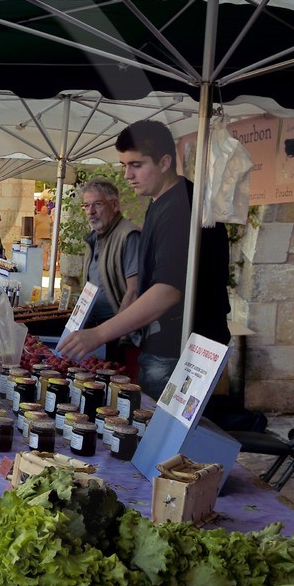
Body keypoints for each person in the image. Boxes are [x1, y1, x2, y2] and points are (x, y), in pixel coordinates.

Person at [59, 120, 230, 399]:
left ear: (164, 162)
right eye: (124, 165)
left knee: (161, 437)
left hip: (182, 348)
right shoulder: (162, 203)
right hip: (172, 344)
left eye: (136, 165)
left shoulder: (179, 209)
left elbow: (166, 292)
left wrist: (100, 334)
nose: (127, 175)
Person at [78, 178, 141, 334]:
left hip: (115, 331)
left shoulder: (129, 236)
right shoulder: (95, 236)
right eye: (86, 205)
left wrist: (115, 334)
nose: (90, 211)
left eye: (97, 204)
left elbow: (134, 291)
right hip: (94, 327)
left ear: (114, 205)